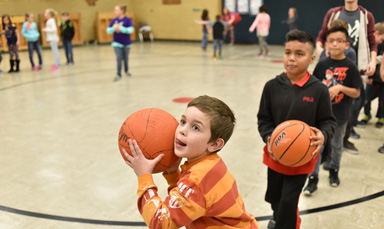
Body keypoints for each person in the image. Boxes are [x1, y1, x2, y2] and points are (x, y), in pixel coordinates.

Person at [123, 95, 259, 228]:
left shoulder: (197, 179)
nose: (182, 131)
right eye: (183, 122)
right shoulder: (209, 164)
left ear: (215, 144)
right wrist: (172, 173)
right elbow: (188, 204)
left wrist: (144, 177)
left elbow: (160, 223)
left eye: (196, 128)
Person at [257, 30, 336, 229]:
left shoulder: (319, 90)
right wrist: (269, 137)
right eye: (288, 52)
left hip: (302, 158)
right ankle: (278, 218)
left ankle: (287, 224)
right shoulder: (271, 87)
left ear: (311, 58)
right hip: (275, 155)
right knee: (275, 197)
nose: (292, 58)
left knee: (288, 201)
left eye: (299, 54)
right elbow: (264, 120)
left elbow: (328, 122)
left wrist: (323, 135)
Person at [304, 26, 363, 195]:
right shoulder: (321, 65)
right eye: (331, 41)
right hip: (321, 115)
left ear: (347, 45)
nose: (335, 44)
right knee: (317, 146)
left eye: (339, 41)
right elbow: (312, 88)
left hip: (341, 115)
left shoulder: (351, 66)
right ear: (326, 44)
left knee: (337, 145)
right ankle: (313, 178)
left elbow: (356, 92)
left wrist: (340, 88)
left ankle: (334, 171)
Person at [315, 0, 377, 153]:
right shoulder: (333, 13)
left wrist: (373, 61)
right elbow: (320, 38)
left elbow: (372, 41)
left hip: (356, 66)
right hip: (333, 68)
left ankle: (345, 135)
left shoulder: (366, 15)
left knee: (356, 101)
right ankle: (332, 137)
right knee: (332, 102)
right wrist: (323, 53)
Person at [358, 23, 384, 128]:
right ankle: (366, 115)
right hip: (371, 79)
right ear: (376, 33)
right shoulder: (367, 45)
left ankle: (381, 117)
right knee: (366, 98)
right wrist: (366, 78)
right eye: (381, 38)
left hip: (381, 80)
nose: (381, 41)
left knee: (382, 100)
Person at [106, 5, 134, 82]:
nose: (115, 12)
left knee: (125, 58)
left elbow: (131, 30)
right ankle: (118, 74)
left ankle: (126, 71)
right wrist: (113, 28)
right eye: (115, 10)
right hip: (117, 43)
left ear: (122, 11)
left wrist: (121, 29)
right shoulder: (114, 20)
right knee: (119, 58)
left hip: (126, 43)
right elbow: (108, 30)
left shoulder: (127, 20)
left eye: (116, 10)